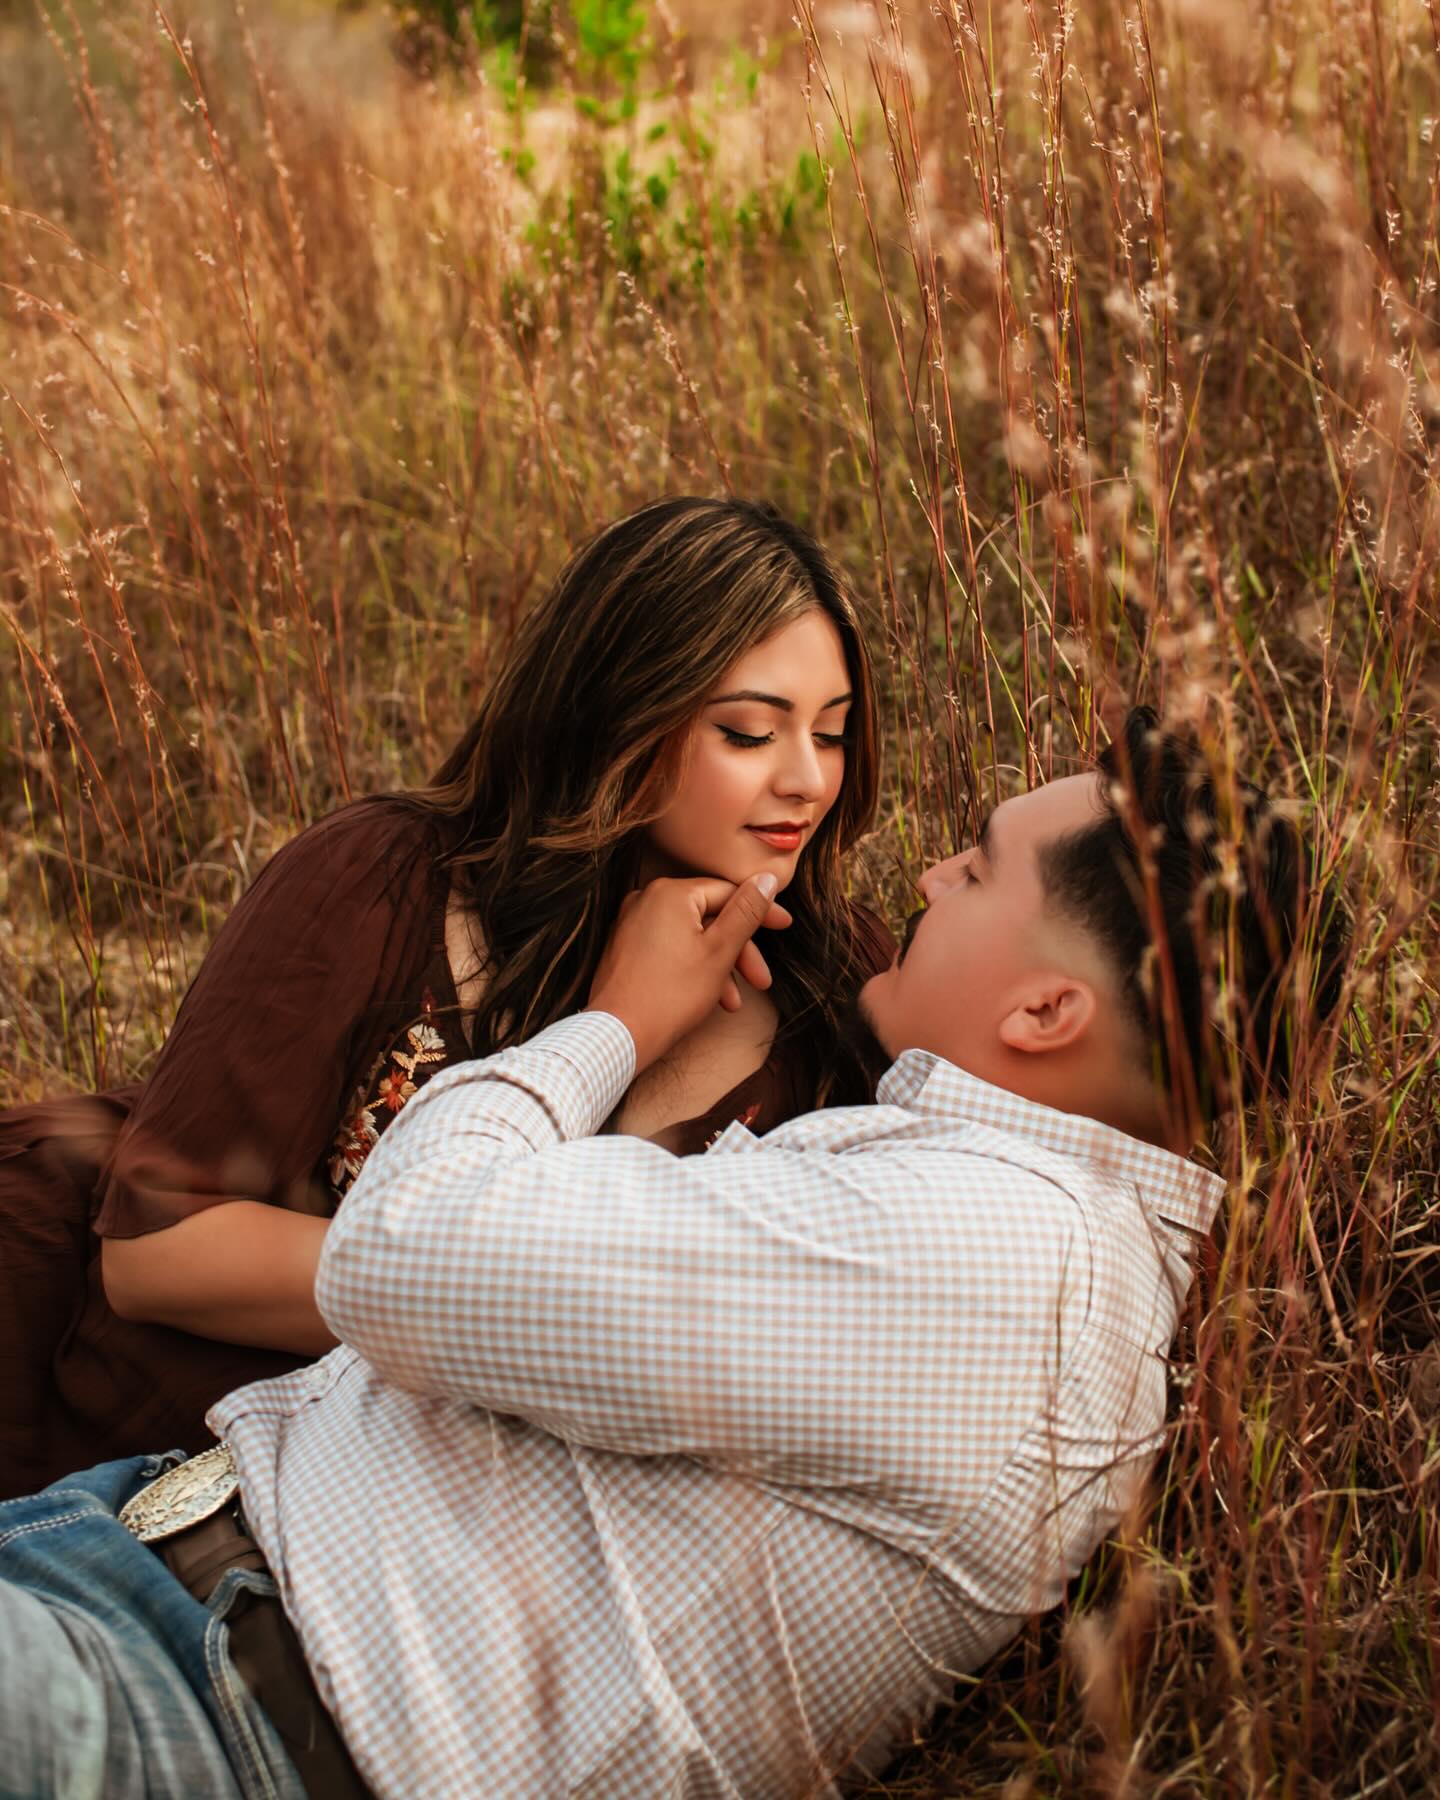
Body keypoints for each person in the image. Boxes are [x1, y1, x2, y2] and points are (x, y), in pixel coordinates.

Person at [0, 709, 1349, 1800]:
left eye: (981, 869)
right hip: (162, 1596)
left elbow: (399, 1257)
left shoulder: (1007, 1264)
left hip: (207, 1705)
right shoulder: (1001, 1223)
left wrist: (612, 1025)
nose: (934, 875)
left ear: (1049, 1007)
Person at [0, 496, 893, 1499]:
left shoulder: (840, 987)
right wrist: (618, 1043)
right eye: (748, 733)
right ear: (618, 712)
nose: (809, 780)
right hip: (112, 1450)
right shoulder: (386, 879)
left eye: (835, 733)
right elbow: (160, 1251)